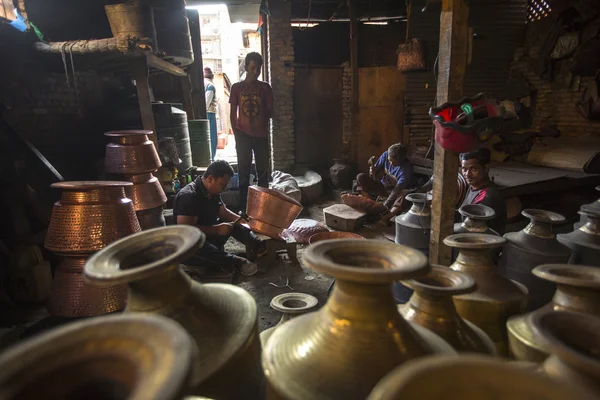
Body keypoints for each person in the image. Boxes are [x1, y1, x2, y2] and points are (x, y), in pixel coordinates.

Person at [173, 160, 264, 276]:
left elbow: (224, 212)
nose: (225, 188)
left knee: (231, 223)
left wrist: (247, 222)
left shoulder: (211, 191)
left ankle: (256, 244)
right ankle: (237, 262)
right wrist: (217, 229)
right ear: (210, 179)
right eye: (222, 184)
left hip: (209, 237)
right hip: (189, 247)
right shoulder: (188, 196)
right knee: (198, 247)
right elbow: (186, 231)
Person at [230, 52, 274, 212]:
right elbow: (232, 113)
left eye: (259, 68)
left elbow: (271, 112)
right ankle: (244, 208)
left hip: (261, 136)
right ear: (246, 66)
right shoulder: (237, 88)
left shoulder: (265, 88)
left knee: (263, 173)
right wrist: (236, 135)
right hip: (243, 135)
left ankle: (262, 209)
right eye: (253, 68)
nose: (256, 71)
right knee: (244, 172)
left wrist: (262, 117)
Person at [355, 143, 416, 223]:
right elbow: (375, 170)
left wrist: (385, 206)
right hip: (383, 186)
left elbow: (395, 191)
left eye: (395, 163)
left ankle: (386, 216)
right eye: (389, 160)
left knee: (404, 194)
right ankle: (366, 202)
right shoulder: (386, 155)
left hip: (395, 192)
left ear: (401, 161)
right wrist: (372, 170)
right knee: (360, 177)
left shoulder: (406, 170)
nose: (391, 163)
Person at [459, 148, 507, 235]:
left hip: (483, 243)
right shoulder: (473, 186)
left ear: (486, 168)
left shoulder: (488, 196)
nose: (467, 174)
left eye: (473, 169)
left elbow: (474, 230)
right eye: (464, 169)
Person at [204, 67, 218, 161]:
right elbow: (207, 102)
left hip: (206, 113)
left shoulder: (203, 83)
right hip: (209, 113)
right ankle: (211, 158)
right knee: (212, 137)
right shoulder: (210, 85)